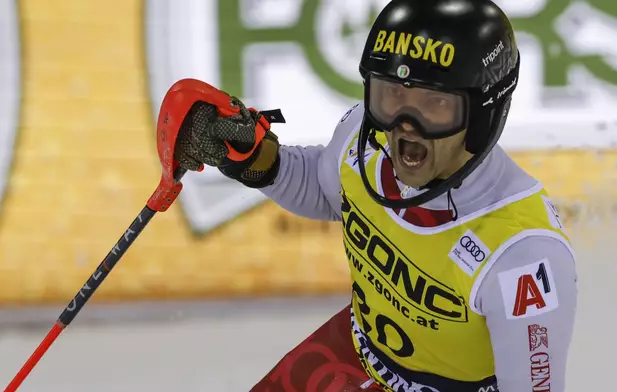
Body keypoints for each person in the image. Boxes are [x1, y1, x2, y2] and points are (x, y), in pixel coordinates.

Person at [170, 0, 578, 390]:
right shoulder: (364, 141)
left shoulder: (524, 257)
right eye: (392, 95)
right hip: (352, 352)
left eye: (434, 103)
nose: (404, 125)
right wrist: (257, 160)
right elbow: (328, 188)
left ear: (484, 115)